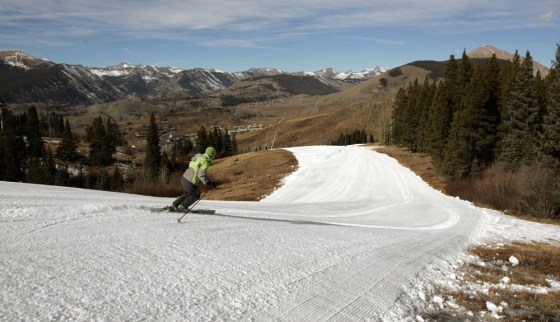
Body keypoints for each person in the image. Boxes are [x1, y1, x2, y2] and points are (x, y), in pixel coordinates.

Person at [168, 146, 218, 211]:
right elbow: (201, 174)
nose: (214, 156)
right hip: (190, 181)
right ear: (212, 155)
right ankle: (183, 207)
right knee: (196, 193)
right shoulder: (205, 161)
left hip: (184, 178)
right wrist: (208, 183)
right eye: (214, 154)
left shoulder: (199, 157)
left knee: (189, 193)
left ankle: (174, 205)